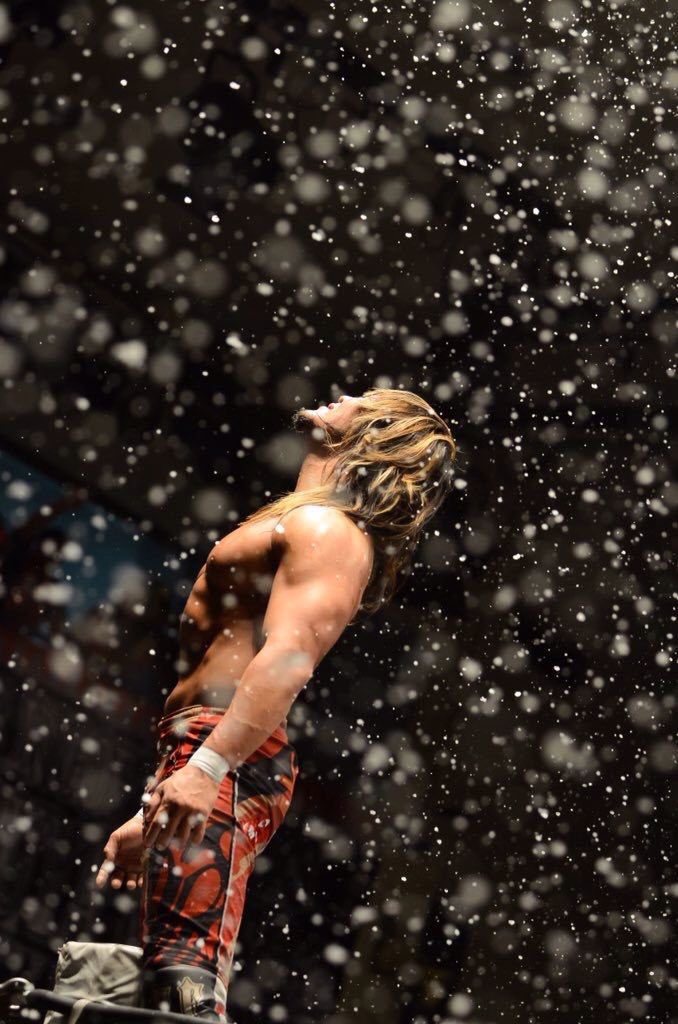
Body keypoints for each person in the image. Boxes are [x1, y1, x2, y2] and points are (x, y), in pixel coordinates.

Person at [95, 388, 457, 1021]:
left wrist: (208, 770)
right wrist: (161, 797)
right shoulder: (302, 516)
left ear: (374, 436)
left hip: (227, 754)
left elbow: (288, 658)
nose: (342, 394)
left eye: (362, 399)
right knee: (168, 976)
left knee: (184, 985)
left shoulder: (330, 532)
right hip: (206, 748)